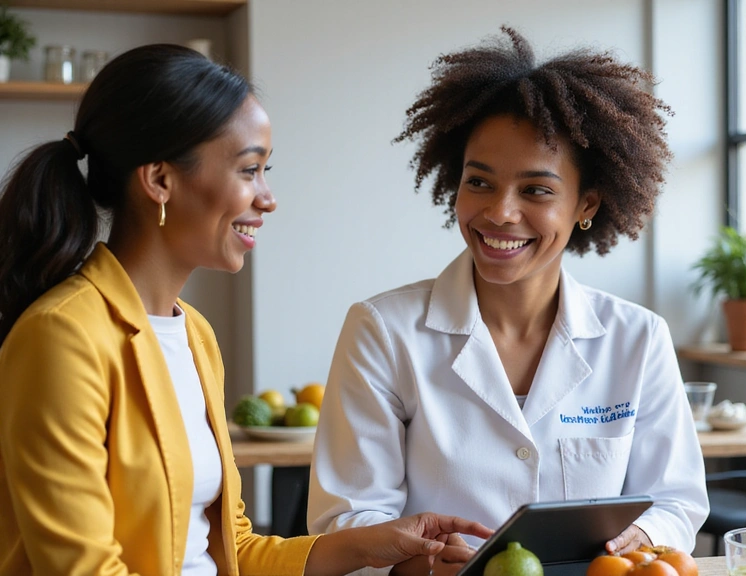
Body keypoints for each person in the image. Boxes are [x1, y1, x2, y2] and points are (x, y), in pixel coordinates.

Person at [0, 44, 493, 576]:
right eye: (249, 170)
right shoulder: (62, 335)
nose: (268, 198)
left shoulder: (195, 336)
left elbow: (233, 549)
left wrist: (372, 544)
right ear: (160, 180)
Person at [307, 26, 709, 576]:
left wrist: (640, 535)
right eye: (479, 182)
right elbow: (345, 519)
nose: (499, 212)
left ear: (585, 204)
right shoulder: (383, 329)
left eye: (537, 190)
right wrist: (419, 564)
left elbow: (677, 500)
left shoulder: (637, 337)